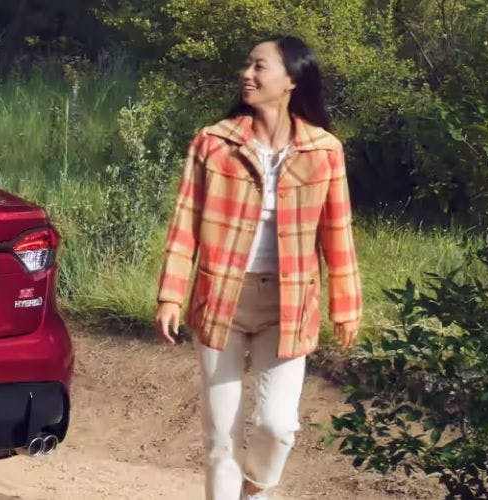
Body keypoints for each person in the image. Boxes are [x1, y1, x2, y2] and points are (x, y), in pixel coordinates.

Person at [154, 35, 361, 500]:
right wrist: (171, 293)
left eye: (259, 66)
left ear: (291, 80)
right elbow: (185, 221)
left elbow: (338, 232)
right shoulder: (213, 142)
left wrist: (345, 307)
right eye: (247, 65)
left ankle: (258, 487)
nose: (247, 74)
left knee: (277, 426)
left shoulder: (324, 150)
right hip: (221, 299)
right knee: (219, 439)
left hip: (289, 305)